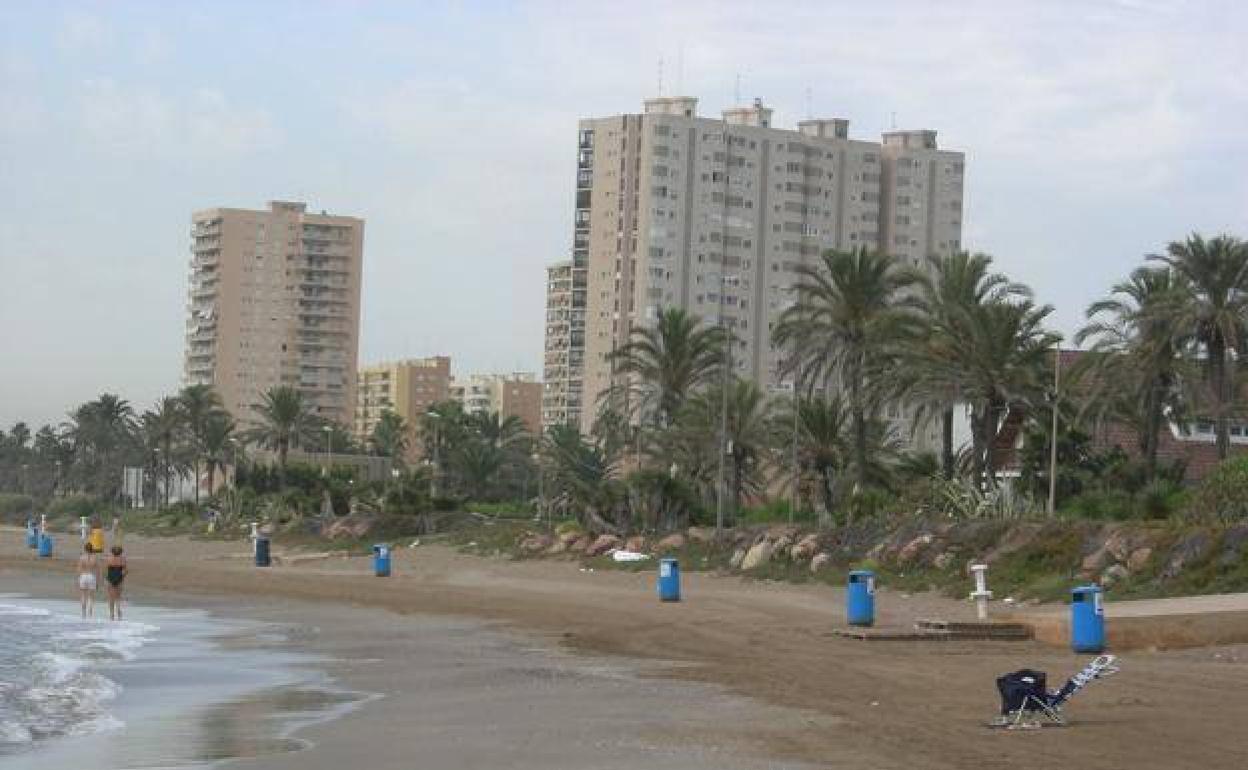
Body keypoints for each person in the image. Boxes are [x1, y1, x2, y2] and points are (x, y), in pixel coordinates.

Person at [105, 546, 128, 621]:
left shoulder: (109, 559)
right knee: (118, 597)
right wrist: (122, 576)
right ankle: (118, 610)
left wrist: (106, 578)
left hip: (111, 577)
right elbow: (126, 570)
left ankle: (112, 614)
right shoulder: (123, 559)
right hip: (119, 577)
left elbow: (106, 569)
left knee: (111, 597)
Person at [77, 543, 99, 618]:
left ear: (85, 549)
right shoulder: (95, 558)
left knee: (83, 595)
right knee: (91, 596)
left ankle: (83, 613)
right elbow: (97, 570)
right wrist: (97, 580)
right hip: (91, 576)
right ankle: (90, 612)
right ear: (91, 549)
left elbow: (79, 569)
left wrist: (79, 577)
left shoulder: (82, 557)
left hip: (83, 575)